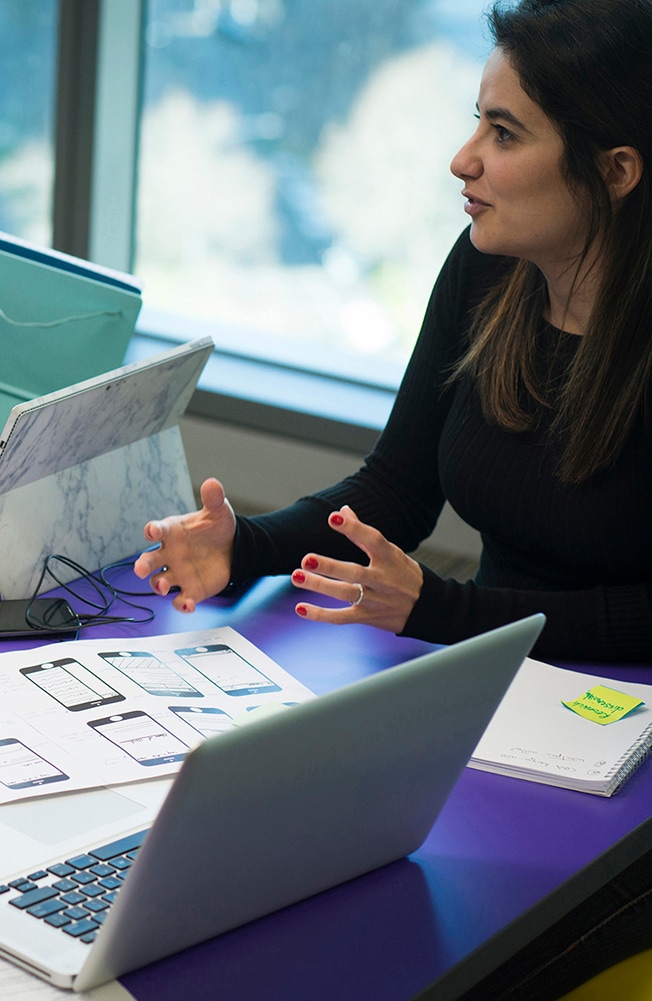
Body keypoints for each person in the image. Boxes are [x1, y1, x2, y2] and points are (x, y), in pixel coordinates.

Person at [135, 0, 652, 665]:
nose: (462, 161)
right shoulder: (487, 268)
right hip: (493, 670)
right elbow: (396, 491)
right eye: (478, 122)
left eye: (503, 134)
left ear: (615, 171)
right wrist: (246, 546)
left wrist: (447, 611)